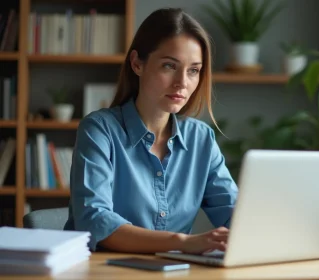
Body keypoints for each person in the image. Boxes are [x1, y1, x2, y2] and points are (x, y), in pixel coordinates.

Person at [63, 8, 238, 254]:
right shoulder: (99, 130)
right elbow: (94, 220)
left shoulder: (201, 139)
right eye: (169, 66)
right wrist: (184, 243)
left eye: (193, 70)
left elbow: (236, 214)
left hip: (173, 272)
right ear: (137, 63)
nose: (182, 83)